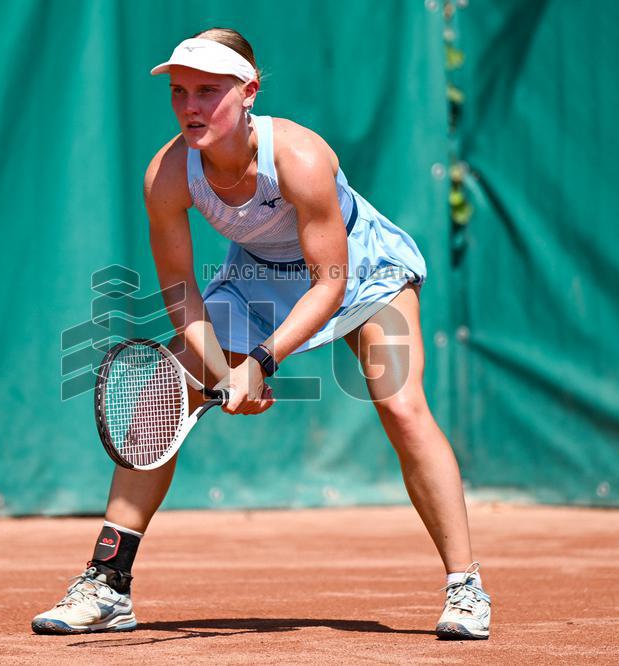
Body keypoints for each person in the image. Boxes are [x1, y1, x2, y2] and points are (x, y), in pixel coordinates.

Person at [32, 27, 491, 640]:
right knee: (160, 398)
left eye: (208, 91)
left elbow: (329, 285)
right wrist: (224, 373)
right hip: (257, 279)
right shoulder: (167, 174)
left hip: (362, 274)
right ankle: (108, 585)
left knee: (402, 407)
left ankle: (465, 587)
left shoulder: (300, 157)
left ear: (248, 91)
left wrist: (261, 362)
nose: (191, 107)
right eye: (179, 92)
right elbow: (181, 292)